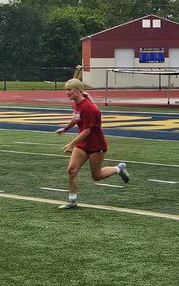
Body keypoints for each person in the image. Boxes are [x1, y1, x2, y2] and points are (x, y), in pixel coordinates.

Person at [54, 78, 128, 209]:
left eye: (69, 90)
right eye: (66, 90)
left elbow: (87, 131)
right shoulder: (76, 104)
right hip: (83, 144)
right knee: (71, 170)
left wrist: (71, 144)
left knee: (97, 176)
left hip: (96, 145)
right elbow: (76, 119)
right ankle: (72, 201)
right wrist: (65, 128)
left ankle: (118, 169)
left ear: (78, 90)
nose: (66, 93)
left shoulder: (87, 107)